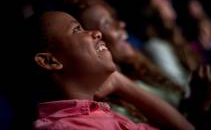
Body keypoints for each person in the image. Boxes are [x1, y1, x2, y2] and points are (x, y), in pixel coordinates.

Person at [26, 11, 194, 130]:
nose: (97, 33)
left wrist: (119, 82)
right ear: (50, 61)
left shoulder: (100, 113)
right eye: (77, 30)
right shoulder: (67, 127)